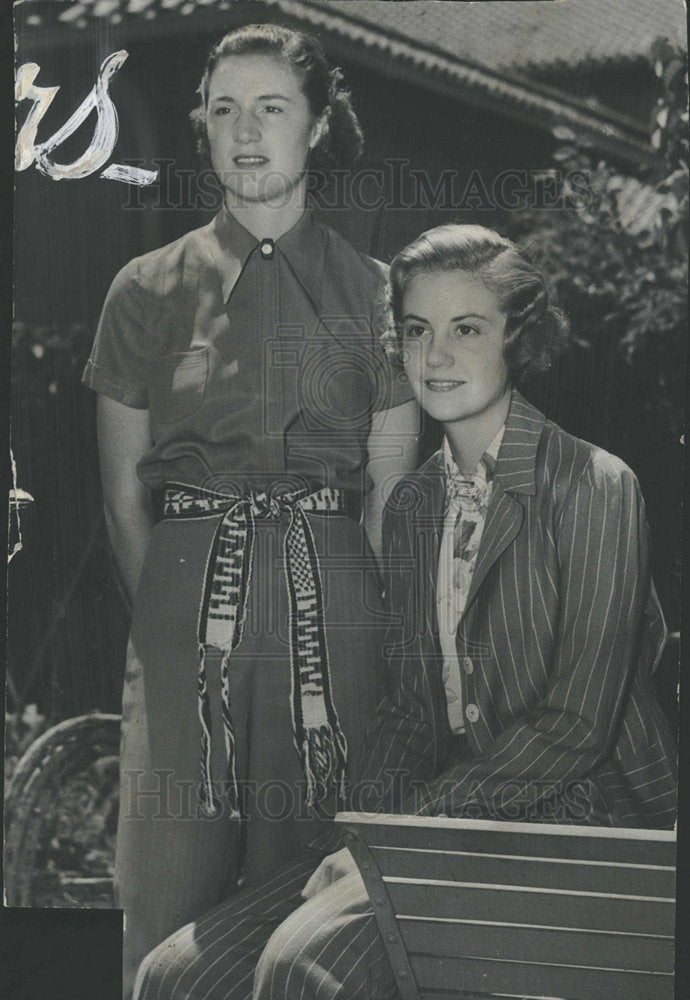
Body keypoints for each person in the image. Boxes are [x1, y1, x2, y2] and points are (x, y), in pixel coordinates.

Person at [134, 224, 677, 999]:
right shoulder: (415, 502)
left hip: (579, 828)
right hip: (439, 823)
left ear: (519, 338)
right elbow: (411, 714)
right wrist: (360, 830)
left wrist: (405, 832)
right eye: (417, 331)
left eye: (467, 329)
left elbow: (577, 725)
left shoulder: (595, 484)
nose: (436, 356)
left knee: (304, 965)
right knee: (176, 973)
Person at [82, 24, 418, 997]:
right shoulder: (142, 291)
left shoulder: (379, 298)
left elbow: (391, 497)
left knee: (304, 898)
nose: (245, 131)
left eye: (272, 107)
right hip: (186, 599)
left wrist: (367, 629)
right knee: (162, 906)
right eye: (224, 108)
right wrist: (170, 615)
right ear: (203, 126)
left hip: (334, 602)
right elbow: (121, 491)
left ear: (317, 126)